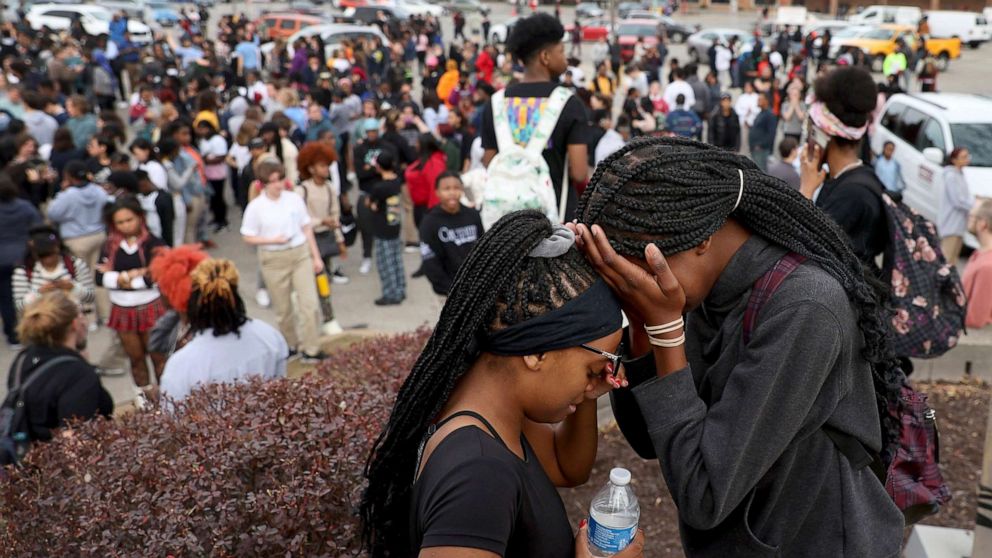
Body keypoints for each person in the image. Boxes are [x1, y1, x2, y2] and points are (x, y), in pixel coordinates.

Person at [573, 135, 905, 556]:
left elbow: (704, 495)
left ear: (701, 237)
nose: (635, 285)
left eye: (636, 267)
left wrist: (666, 331)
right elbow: (651, 440)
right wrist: (642, 328)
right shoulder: (700, 283)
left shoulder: (805, 308)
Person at [361, 210, 643, 557]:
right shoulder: (478, 475)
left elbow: (567, 468)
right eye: (591, 370)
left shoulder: (492, 407)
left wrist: (584, 391)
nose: (594, 383)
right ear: (537, 353)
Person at [482, 13, 591, 221]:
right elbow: (579, 172)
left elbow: (489, 161)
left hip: (507, 224)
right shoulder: (569, 104)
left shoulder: (495, 103)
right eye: (561, 51)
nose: (565, 58)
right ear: (545, 57)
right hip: (555, 220)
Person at [159, 258, 288, 404]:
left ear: (193, 304)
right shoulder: (269, 336)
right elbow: (281, 394)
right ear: (235, 296)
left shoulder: (181, 366)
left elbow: (173, 418)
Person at [799, 68, 887, 269]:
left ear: (822, 134)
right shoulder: (848, 180)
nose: (807, 138)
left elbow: (804, 256)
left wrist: (805, 190)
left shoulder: (853, 196)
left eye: (810, 130)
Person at [240, 160, 327, 363]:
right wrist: (272, 240)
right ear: (263, 184)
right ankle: (291, 345)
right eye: (273, 181)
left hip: (299, 253)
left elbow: (306, 227)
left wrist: (316, 256)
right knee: (283, 309)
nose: (278, 184)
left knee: (309, 304)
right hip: (273, 259)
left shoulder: (293, 199)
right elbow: (247, 236)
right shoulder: (256, 207)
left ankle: (311, 349)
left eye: (280, 179)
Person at [7, 292, 112, 447]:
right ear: (75, 324)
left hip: (27, 458)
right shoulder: (77, 375)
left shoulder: (24, 358)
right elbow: (74, 444)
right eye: (82, 313)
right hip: (57, 466)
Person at [295, 141, 346, 334]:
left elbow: (335, 215)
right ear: (310, 167)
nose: (326, 169)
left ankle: (328, 317)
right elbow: (301, 219)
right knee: (310, 281)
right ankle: (316, 318)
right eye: (322, 165)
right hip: (308, 241)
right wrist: (321, 221)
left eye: (327, 165)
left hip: (326, 240)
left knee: (324, 280)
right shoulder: (302, 191)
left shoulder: (330, 188)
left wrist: (339, 239)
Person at [418, 172, 484, 297]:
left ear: (462, 190)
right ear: (437, 192)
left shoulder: (473, 215)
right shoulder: (429, 222)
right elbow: (430, 262)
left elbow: (483, 248)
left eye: (456, 188)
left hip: (476, 287)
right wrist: (451, 290)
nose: (452, 192)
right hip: (448, 291)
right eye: (446, 189)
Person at [12, 225, 95, 315]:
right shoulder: (23, 272)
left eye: (50, 254)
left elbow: (90, 297)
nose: (48, 259)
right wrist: (39, 293)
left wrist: (73, 287)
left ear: (57, 248)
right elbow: (19, 307)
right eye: (42, 255)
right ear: (34, 253)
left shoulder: (75, 265)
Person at [0, 175, 42, 346]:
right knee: (30, 294)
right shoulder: (25, 207)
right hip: (24, 257)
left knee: (6, 299)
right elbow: (38, 227)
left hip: (2, 260)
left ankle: (13, 334)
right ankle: (35, 329)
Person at [353, 117, 398, 275]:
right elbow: (360, 173)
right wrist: (377, 169)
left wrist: (370, 168)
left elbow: (394, 167)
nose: (372, 134)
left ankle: (393, 254)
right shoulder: (359, 149)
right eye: (369, 132)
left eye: (374, 131)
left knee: (392, 223)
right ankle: (367, 256)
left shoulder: (387, 147)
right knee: (366, 227)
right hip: (368, 193)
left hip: (387, 195)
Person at [367, 151, 405, 306]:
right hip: (395, 226)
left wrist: (372, 204)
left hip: (382, 228)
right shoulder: (397, 181)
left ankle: (390, 294)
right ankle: (400, 289)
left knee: (385, 263)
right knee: (397, 260)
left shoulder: (379, 187)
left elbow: (372, 204)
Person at [939, 147, 974, 266]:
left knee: (953, 260)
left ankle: (949, 284)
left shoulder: (960, 174)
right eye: (963, 157)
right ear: (954, 160)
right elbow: (957, 200)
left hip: (959, 224)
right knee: (946, 259)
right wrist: (973, 207)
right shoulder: (951, 176)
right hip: (951, 224)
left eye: (967, 156)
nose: (966, 159)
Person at [405, 133, 447, 229]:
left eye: (418, 143)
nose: (415, 145)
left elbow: (435, 188)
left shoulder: (434, 163)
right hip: (420, 207)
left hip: (428, 208)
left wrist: (433, 213)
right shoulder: (424, 160)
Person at [196, 120, 230, 234]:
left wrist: (205, 160)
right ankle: (216, 218)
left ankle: (222, 220)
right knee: (213, 198)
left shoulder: (218, 139)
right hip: (208, 174)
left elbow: (221, 156)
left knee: (219, 198)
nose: (201, 131)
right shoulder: (203, 140)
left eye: (203, 128)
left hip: (218, 174)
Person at [963, 199, 992, 329]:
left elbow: (975, 319)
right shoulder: (979, 253)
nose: (968, 218)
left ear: (983, 224)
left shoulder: (987, 266)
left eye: (972, 216)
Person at [748, 94, 777, 172]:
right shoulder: (760, 113)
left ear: (766, 101)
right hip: (755, 149)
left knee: (761, 172)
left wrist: (761, 145)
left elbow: (771, 134)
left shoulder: (770, 114)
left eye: (760, 99)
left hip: (761, 150)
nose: (758, 101)